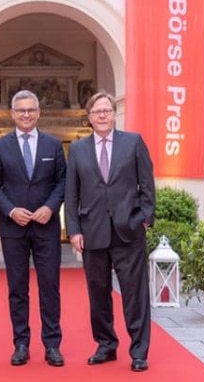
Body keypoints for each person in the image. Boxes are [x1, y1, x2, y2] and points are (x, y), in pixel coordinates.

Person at [64, 91, 155, 372]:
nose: (102, 115)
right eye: (96, 111)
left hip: (129, 230)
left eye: (106, 110)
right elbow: (71, 193)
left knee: (134, 293)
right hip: (93, 233)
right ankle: (106, 345)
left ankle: (139, 351)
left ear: (114, 114)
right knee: (98, 293)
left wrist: (144, 219)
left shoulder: (133, 143)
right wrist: (74, 230)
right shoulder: (78, 149)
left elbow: (147, 185)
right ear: (89, 118)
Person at [0, 89, 67, 367]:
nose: (26, 114)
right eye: (21, 110)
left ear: (38, 112)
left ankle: (52, 344)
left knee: (50, 287)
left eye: (31, 109)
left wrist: (50, 207)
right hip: (13, 228)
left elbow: (62, 182)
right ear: (12, 114)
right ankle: (21, 344)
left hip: (46, 227)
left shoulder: (53, 145)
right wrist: (10, 210)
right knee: (17, 289)